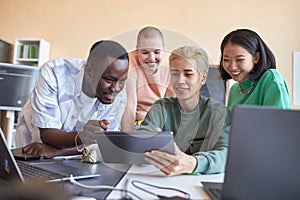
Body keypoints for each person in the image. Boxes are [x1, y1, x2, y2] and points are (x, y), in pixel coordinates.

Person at [15, 40, 129, 158]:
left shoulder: (119, 95)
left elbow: (103, 145)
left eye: (122, 81)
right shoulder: (54, 72)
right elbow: (47, 134)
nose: (115, 88)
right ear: (89, 71)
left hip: (74, 156)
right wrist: (82, 136)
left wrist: (58, 152)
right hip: (34, 147)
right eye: (109, 80)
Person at [139, 46, 231, 176]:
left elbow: (226, 154)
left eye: (188, 74)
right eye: (175, 73)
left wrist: (193, 163)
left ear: (203, 78)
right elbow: (142, 138)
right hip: (161, 179)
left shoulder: (219, 113)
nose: (180, 81)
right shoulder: (161, 107)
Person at [218, 29, 292, 112]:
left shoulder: (270, 78)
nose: (232, 67)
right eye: (226, 60)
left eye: (239, 60)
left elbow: (279, 121)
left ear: (256, 57)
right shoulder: (234, 90)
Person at [121, 26, 174, 131]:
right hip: (133, 121)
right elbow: (130, 105)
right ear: (137, 50)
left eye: (157, 52)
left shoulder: (169, 67)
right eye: (145, 52)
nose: (151, 58)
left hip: (157, 123)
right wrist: (129, 139)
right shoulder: (129, 63)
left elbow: (173, 105)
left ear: (163, 49)